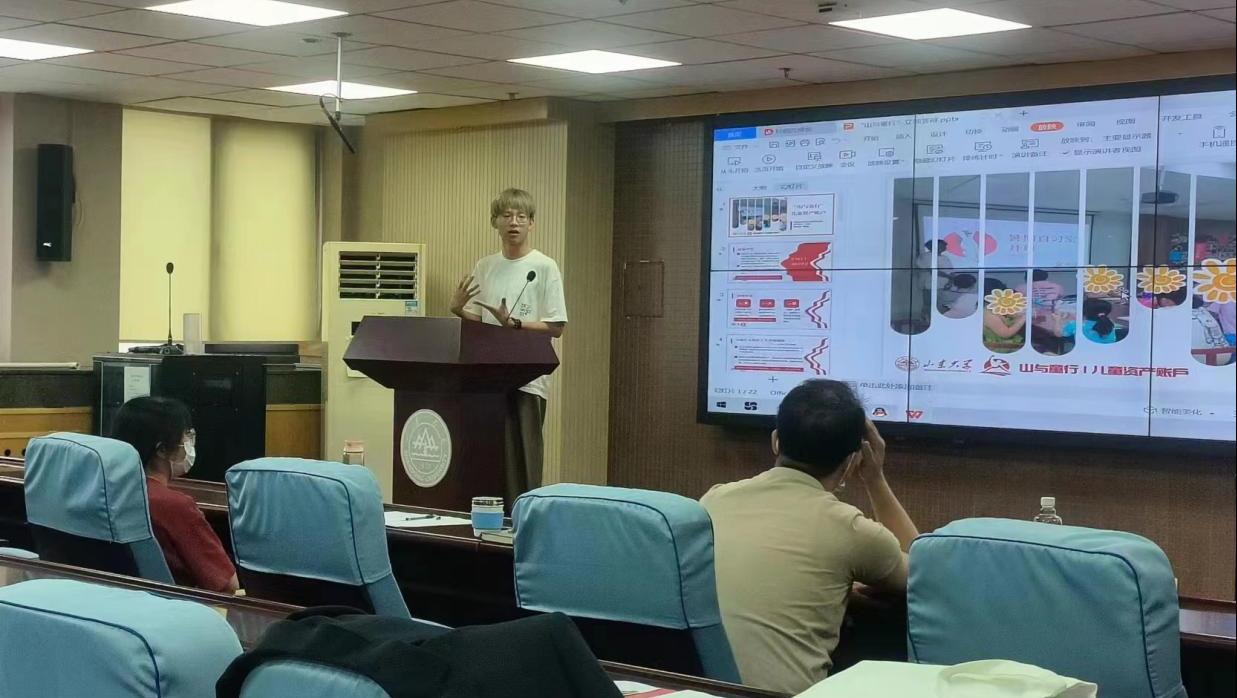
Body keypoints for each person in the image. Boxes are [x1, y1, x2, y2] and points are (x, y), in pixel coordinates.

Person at [701, 380, 918, 694]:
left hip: (691, 689)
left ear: (776, 441)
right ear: (852, 459)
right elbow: (925, 576)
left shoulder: (713, 501)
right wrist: (875, 478)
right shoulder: (850, 529)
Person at [449, 188, 568, 504]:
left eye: (521, 216)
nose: (514, 222)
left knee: (521, 468)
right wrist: (458, 309)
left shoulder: (545, 266)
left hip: (527, 380)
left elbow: (556, 326)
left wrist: (514, 324)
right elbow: (480, 322)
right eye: (507, 216)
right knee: (484, 462)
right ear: (495, 222)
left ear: (531, 223)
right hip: (487, 379)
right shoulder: (485, 266)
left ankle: (521, 526)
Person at [110, 396, 239, 594]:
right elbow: (227, 586)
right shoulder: (174, 505)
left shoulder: (108, 492)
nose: (189, 441)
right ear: (162, 449)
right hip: (174, 605)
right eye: (186, 435)